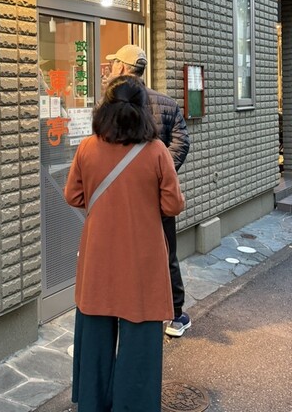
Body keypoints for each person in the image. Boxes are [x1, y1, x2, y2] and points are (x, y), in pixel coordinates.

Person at [64, 75, 185, 412]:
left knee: (95, 337)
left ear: (106, 109)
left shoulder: (88, 147)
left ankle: (93, 403)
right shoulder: (156, 151)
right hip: (142, 258)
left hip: (98, 255)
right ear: (143, 111)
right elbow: (172, 205)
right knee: (140, 342)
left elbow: (73, 195)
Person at [105, 44, 191, 338]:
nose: (111, 68)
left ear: (122, 67)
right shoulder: (166, 102)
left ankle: (127, 309)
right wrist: (161, 174)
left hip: (124, 197)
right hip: (159, 195)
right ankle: (175, 315)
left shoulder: (114, 105)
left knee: (124, 250)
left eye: (114, 63)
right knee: (166, 252)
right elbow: (181, 142)